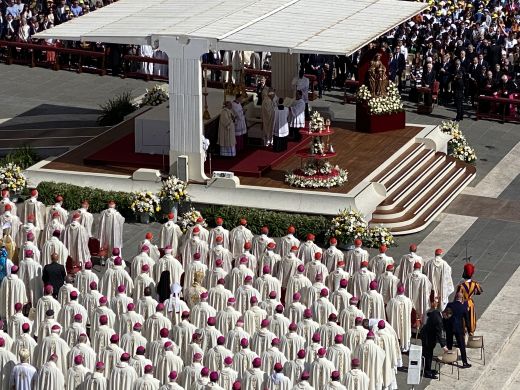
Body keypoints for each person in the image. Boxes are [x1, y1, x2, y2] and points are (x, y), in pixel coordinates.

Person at [421, 298, 448, 379]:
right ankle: (427, 372)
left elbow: (429, 314)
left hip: (426, 334)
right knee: (428, 355)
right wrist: (443, 346)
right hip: (428, 338)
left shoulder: (436, 312)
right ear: (445, 314)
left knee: (429, 354)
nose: (447, 318)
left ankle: (428, 369)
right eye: (447, 316)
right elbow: (439, 334)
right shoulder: (439, 321)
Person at [444, 292, 472, 369]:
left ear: (455, 297)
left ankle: (449, 359)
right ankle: (464, 362)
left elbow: (445, 316)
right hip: (459, 328)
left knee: (449, 343)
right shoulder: (463, 307)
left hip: (449, 327)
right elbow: (466, 319)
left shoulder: (449, 305)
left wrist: (444, 326)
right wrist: (469, 329)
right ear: (462, 298)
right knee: (461, 345)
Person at [457, 262, 483, 335]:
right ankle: (471, 334)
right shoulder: (475, 284)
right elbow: (479, 291)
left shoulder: (461, 286)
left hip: (463, 304)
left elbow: (457, 297)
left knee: (463, 320)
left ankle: (463, 336)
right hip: (470, 303)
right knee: (471, 320)